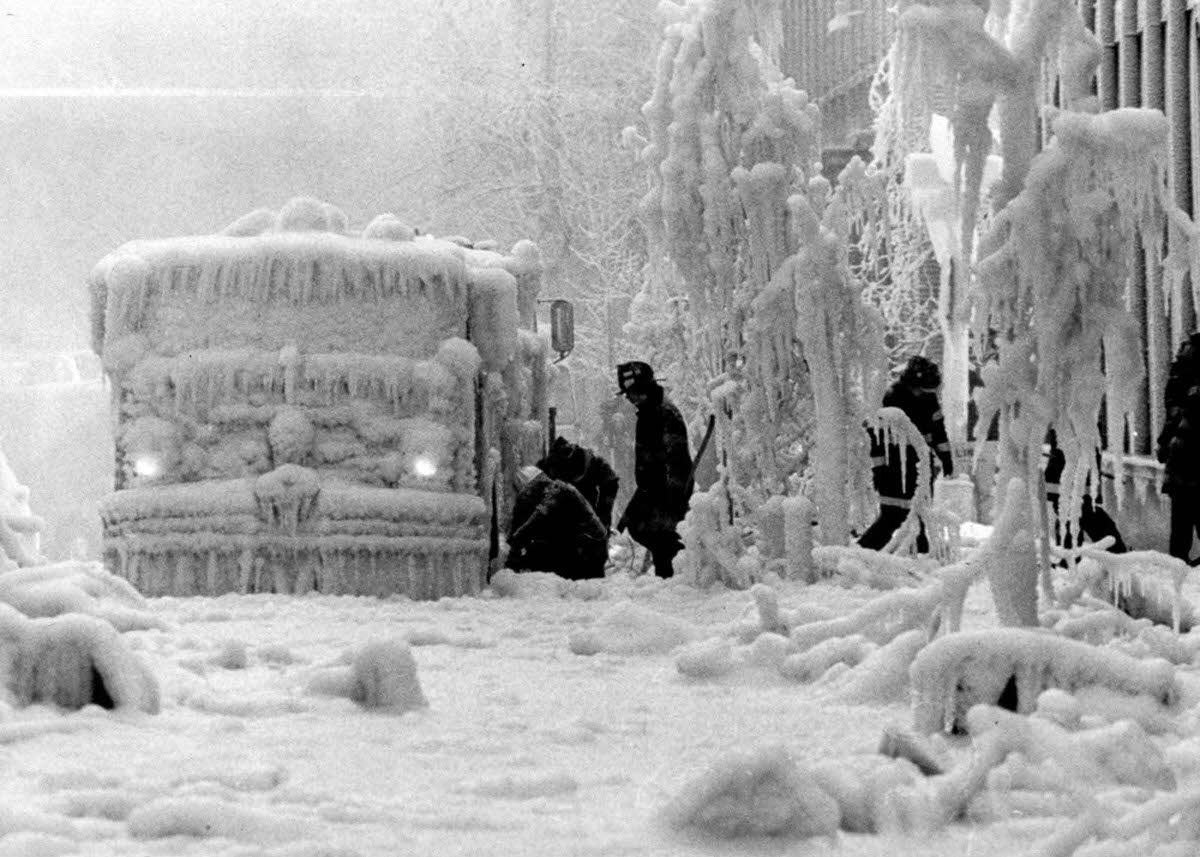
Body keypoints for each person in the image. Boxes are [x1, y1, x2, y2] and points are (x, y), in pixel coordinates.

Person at [858, 355, 953, 553]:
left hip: (921, 464)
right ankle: (863, 552)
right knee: (892, 516)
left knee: (920, 510)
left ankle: (921, 549)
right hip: (893, 467)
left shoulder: (929, 399)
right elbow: (876, 437)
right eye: (924, 389)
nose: (927, 393)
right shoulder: (891, 398)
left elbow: (938, 431)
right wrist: (880, 468)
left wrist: (946, 457)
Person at [614, 361, 693, 578]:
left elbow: (677, 460)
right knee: (641, 528)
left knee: (659, 536)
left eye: (632, 393)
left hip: (668, 490)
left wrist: (673, 497)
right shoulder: (649, 412)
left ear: (643, 388)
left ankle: (676, 576)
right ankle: (669, 577)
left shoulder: (664, 413)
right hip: (653, 489)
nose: (629, 399)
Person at [506, 466, 608, 580]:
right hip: (581, 550)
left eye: (528, 493)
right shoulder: (552, 493)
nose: (528, 497)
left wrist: (514, 542)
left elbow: (537, 520)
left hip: (588, 553)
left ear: (536, 484)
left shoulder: (560, 491)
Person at [1042, 429, 1127, 554]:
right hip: (1072, 482)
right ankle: (1115, 552)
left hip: (1071, 482)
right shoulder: (1076, 418)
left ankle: (1070, 560)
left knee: (1071, 520)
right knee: (1081, 518)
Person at [1156, 332, 1200, 563]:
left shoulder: (1181, 376)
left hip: (1182, 459)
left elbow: (1172, 415)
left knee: (1181, 523)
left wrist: (1164, 443)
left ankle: (1178, 567)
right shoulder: (1188, 390)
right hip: (1189, 458)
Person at [537, 436, 620, 533]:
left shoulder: (595, 464)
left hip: (587, 509)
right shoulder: (549, 466)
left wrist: (602, 517)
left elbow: (611, 483)